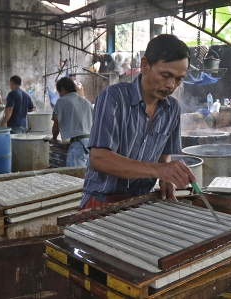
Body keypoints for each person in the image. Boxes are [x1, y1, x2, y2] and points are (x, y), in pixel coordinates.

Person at [80, 34, 197, 210]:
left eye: (179, 79)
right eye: (165, 75)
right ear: (144, 65)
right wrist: (158, 170)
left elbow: (164, 154)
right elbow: (99, 158)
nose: (171, 85)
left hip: (141, 203)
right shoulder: (113, 98)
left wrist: (166, 178)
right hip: (102, 202)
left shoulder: (172, 109)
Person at [52, 77, 93, 167]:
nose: (59, 95)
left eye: (59, 93)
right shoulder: (87, 102)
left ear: (62, 90)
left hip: (78, 145)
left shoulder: (61, 101)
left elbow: (56, 126)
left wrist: (54, 139)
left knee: (74, 177)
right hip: (91, 144)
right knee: (86, 176)